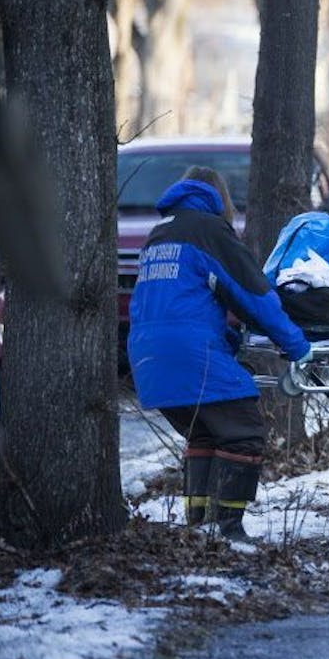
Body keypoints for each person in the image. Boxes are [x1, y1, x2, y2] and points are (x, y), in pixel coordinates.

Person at [127, 166, 312, 542]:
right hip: (186, 351)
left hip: (147, 355)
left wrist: (223, 337)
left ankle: (199, 525)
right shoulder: (209, 230)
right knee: (243, 429)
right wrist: (297, 346)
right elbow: (255, 297)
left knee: (206, 433)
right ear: (220, 199)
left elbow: (177, 302)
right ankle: (229, 528)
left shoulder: (159, 234)